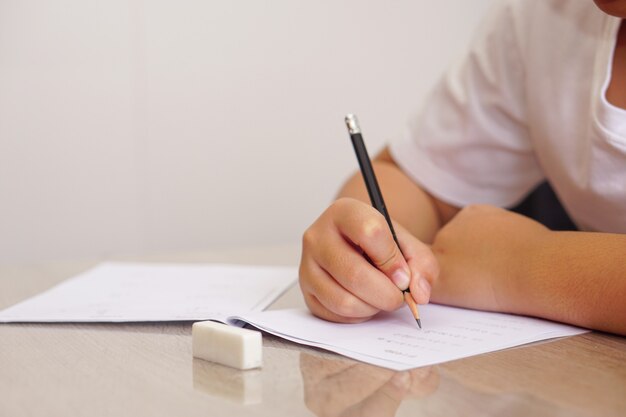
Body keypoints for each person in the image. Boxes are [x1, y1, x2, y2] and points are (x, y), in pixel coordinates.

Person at [299, 0, 626, 336]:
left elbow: (515, 266)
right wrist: (361, 243)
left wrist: (521, 266)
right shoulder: (542, 16)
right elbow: (415, 182)